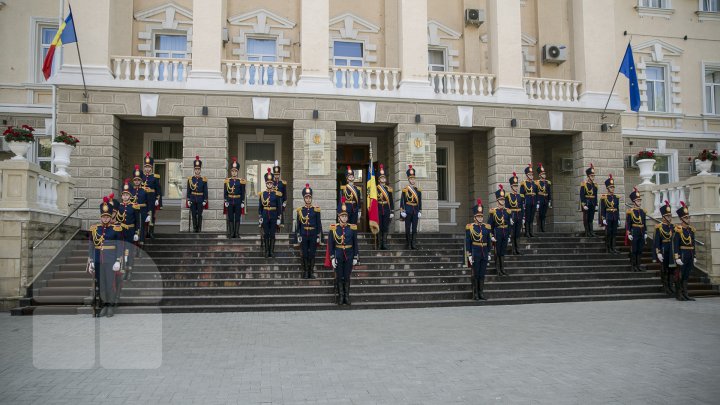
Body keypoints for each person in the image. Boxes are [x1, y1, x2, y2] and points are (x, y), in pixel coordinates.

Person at [87, 197, 123, 317]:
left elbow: (120, 245)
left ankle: (110, 307)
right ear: (101, 217)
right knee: (101, 285)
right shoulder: (95, 229)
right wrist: (91, 260)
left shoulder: (116, 229)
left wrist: (118, 260)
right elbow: (91, 246)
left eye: (107, 216)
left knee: (110, 284)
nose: (105, 218)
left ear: (110, 217)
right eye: (103, 216)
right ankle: (103, 306)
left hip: (111, 261)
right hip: (98, 261)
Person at [329, 197, 359, 305]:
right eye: (343, 216)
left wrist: (356, 257)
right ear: (339, 217)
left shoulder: (352, 228)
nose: (345, 218)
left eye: (346, 216)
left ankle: (347, 297)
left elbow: (355, 243)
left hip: (349, 255)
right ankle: (340, 297)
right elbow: (331, 245)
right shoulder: (334, 228)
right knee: (339, 276)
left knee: (346, 276)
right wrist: (332, 257)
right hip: (338, 255)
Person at [465, 198, 492, 301]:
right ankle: (475, 293)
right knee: (475, 274)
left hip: (484, 252)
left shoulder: (487, 227)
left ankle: (481, 293)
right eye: (478, 216)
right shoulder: (470, 227)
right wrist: (469, 255)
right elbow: (468, 242)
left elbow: (488, 241)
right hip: (475, 252)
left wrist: (489, 252)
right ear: (475, 217)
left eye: (481, 216)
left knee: (482, 274)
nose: (480, 218)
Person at [295, 183, 322, 279]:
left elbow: (319, 223)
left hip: (313, 234)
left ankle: (311, 272)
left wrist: (319, 236)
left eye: (309, 198)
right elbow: (298, 225)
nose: (308, 199)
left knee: (312, 254)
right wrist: (298, 234)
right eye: (306, 198)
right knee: (305, 253)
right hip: (303, 234)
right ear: (304, 199)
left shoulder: (316, 210)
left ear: (311, 198)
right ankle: (306, 272)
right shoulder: (300, 210)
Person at [673, 201, 696, 301]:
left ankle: (685, 293)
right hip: (682, 254)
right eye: (686, 217)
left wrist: (694, 255)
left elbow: (693, 244)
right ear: (682, 219)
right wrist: (677, 257)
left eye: (688, 217)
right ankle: (679, 294)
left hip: (689, 254)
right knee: (680, 275)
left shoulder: (691, 230)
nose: (688, 219)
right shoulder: (678, 230)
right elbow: (676, 244)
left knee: (686, 275)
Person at [117, 180, 140, 281]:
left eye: (127, 195)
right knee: (121, 251)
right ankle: (122, 270)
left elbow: (137, 221)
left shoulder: (134, 207)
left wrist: (136, 232)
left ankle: (129, 271)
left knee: (129, 252)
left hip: (130, 231)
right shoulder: (119, 207)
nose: (125, 197)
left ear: (130, 196)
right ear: (122, 196)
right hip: (121, 232)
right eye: (124, 195)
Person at [259, 168, 282, 258]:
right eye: (268, 183)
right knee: (266, 234)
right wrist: (260, 216)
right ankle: (266, 251)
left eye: (271, 183)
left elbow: (279, 207)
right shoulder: (262, 194)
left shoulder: (276, 194)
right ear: (266, 184)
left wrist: (279, 218)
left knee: (272, 234)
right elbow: (260, 207)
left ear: (272, 184)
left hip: (273, 215)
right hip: (265, 215)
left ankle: (271, 252)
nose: (269, 184)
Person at [488, 185, 511, 276]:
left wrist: (509, 235)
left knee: (503, 251)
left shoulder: (507, 211)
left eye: (503, 200)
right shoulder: (494, 212)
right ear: (497, 200)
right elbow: (490, 225)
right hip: (497, 233)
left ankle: (502, 269)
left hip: (505, 233)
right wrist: (491, 236)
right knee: (497, 251)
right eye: (501, 200)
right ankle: (497, 269)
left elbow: (509, 224)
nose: (502, 201)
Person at [654, 200, 675, 296]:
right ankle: (665, 286)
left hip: (671, 250)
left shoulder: (673, 227)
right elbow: (656, 241)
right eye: (667, 216)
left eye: (670, 216)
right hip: (663, 250)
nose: (669, 218)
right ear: (663, 217)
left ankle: (671, 286)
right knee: (664, 269)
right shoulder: (659, 227)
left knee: (671, 269)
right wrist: (658, 252)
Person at [400, 165, 422, 250]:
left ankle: (413, 244)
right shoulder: (405, 190)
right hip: (408, 211)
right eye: (411, 179)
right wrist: (402, 211)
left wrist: (420, 210)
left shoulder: (418, 190)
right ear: (408, 180)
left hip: (415, 211)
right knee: (407, 228)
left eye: (414, 179)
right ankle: (408, 244)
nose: (413, 180)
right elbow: (402, 201)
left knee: (414, 228)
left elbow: (420, 201)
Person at [625, 187, 647, 272]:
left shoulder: (642, 212)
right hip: (634, 231)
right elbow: (628, 224)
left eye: (640, 201)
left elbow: (644, 223)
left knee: (640, 250)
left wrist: (645, 232)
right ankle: (633, 265)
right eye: (638, 201)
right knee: (634, 249)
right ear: (634, 202)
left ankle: (638, 265)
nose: (639, 202)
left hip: (641, 232)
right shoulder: (630, 212)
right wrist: (629, 233)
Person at [141, 152, 162, 239]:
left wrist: (158, 199)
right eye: (146, 167)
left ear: (151, 167)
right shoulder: (140, 177)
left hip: (152, 198)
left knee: (151, 215)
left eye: (149, 167)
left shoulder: (155, 177)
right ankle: (144, 232)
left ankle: (151, 232)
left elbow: (158, 189)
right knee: (143, 215)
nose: (147, 169)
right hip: (142, 199)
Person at [224, 158, 246, 238]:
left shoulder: (241, 181)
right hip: (230, 201)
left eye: (235, 171)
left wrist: (242, 202)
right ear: (231, 172)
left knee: (237, 217)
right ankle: (231, 233)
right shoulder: (227, 181)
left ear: (237, 172)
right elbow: (225, 192)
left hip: (238, 201)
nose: (234, 172)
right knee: (230, 217)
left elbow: (243, 192)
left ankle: (236, 233)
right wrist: (226, 200)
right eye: (232, 171)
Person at [129, 165, 149, 250]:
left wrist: (148, 214)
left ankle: (141, 246)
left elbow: (149, 203)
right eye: (135, 180)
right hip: (133, 212)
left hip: (142, 211)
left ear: (141, 181)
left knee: (141, 228)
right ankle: (134, 246)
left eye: (138, 180)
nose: (137, 182)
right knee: (134, 228)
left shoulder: (145, 190)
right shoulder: (131, 190)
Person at [599, 174, 620, 254]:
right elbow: (603, 209)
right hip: (608, 217)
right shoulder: (604, 197)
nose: (613, 189)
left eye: (613, 187)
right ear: (607, 188)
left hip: (614, 217)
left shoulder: (616, 197)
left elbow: (617, 209)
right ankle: (608, 248)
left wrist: (618, 219)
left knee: (614, 233)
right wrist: (603, 218)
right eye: (611, 187)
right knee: (608, 233)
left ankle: (613, 248)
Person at [187, 156, 208, 233]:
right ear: (194, 170)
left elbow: (205, 191)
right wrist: (188, 199)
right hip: (192, 198)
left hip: (200, 199)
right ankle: (194, 228)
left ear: (200, 170)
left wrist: (205, 200)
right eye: (196, 169)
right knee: (193, 214)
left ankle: (199, 228)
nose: (197, 171)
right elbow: (188, 190)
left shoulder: (204, 180)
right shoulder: (190, 179)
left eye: (198, 169)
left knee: (199, 214)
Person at [376, 164, 394, 250]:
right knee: (379, 226)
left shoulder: (388, 189)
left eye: (384, 178)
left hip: (386, 208)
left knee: (385, 226)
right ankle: (379, 244)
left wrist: (392, 211)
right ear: (379, 180)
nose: (383, 179)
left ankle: (384, 244)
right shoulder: (376, 189)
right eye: (381, 178)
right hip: (379, 208)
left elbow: (391, 200)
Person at [506, 172, 524, 255]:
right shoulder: (508, 196)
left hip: (519, 215)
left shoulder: (520, 196)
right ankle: (513, 249)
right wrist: (509, 218)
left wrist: (523, 217)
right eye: (514, 186)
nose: (516, 188)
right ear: (511, 186)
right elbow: (507, 208)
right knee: (512, 233)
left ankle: (518, 249)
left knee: (518, 233)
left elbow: (522, 207)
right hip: (512, 216)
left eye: (517, 186)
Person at [519, 164, 538, 237]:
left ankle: (531, 231)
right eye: (529, 174)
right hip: (527, 201)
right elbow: (521, 194)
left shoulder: (535, 183)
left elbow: (536, 193)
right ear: (527, 175)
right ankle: (527, 232)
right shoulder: (524, 183)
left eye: (532, 174)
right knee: (527, 216)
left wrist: (537, 202)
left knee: (532, 217)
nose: (531, 176)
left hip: (533, 201)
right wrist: (523, 202)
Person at [580, 163, 598, 237]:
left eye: (593, 176)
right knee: (586, 218)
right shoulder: (584, 184)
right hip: (587, 203)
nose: (593, 177)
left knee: (591, 218)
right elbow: (582, 195)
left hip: (593, 203)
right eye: (591, 176)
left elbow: (595, 195)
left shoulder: (595, 185)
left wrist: (596, 204)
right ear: (588, 176)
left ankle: (591, 231)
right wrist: (583, 204)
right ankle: (587, 232)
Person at [535, 163, 552, 232]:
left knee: (544, 214)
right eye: (542, 174)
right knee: (540, 214)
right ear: (540, 175)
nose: (544, 175)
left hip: (545, 200)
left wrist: (550, 200)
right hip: (540, 200)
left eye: (544, 174)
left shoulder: (547, 182)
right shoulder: (537, 182)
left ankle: (543, 228)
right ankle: (539, 228)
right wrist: (536, 202)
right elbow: (536, 192)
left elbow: (549, 192)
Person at [272, 160, 287, 229]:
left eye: (278, 174)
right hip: (273, 203)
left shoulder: (282, 183)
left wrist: (283, 205)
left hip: (280, 202)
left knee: (280, 219)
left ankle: (279, 231)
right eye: (275, 174)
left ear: (279, 174)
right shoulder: (271, 183)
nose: (276, 176)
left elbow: (285, 195)